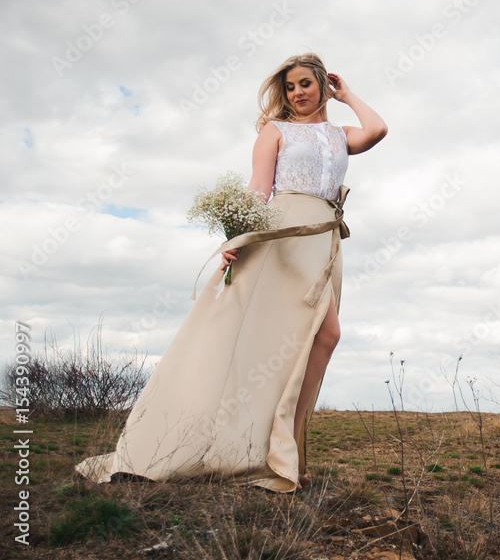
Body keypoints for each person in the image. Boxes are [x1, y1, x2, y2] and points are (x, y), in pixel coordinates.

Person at [75, 53, 387, 493]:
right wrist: (234, 239)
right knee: (294, 335)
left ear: (321, 84)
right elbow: (259, 190)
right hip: (282, 236)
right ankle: (258, 448)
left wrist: (347, 93)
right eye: (290, 87)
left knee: (322, 336)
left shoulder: (340, 135)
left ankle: (287, 449)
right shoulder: (274, 131)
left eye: (305, 84)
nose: (297, 93)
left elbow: (377, 130)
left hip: (323, 240)